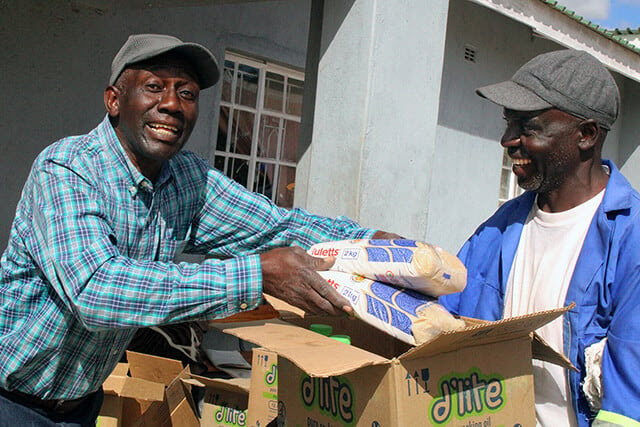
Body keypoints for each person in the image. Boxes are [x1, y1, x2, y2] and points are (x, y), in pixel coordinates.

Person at [0, 33, 399, 426]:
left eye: (187, 93)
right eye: (154, 87)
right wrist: (257, 273)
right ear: (115, 100)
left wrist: (368, 242)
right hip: (9, 399)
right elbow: (96, 290)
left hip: (80, 405)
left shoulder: (187, 179)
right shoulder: (67, 169)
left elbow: (275, 227)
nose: (172, 105)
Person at [439, 49, 640, 426]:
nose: (507, 140)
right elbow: (442, 319)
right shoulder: (501, 228)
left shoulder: (631, 240)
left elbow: (628, 407)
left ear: (586, 135)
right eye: (508, 124)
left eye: (527, 128)